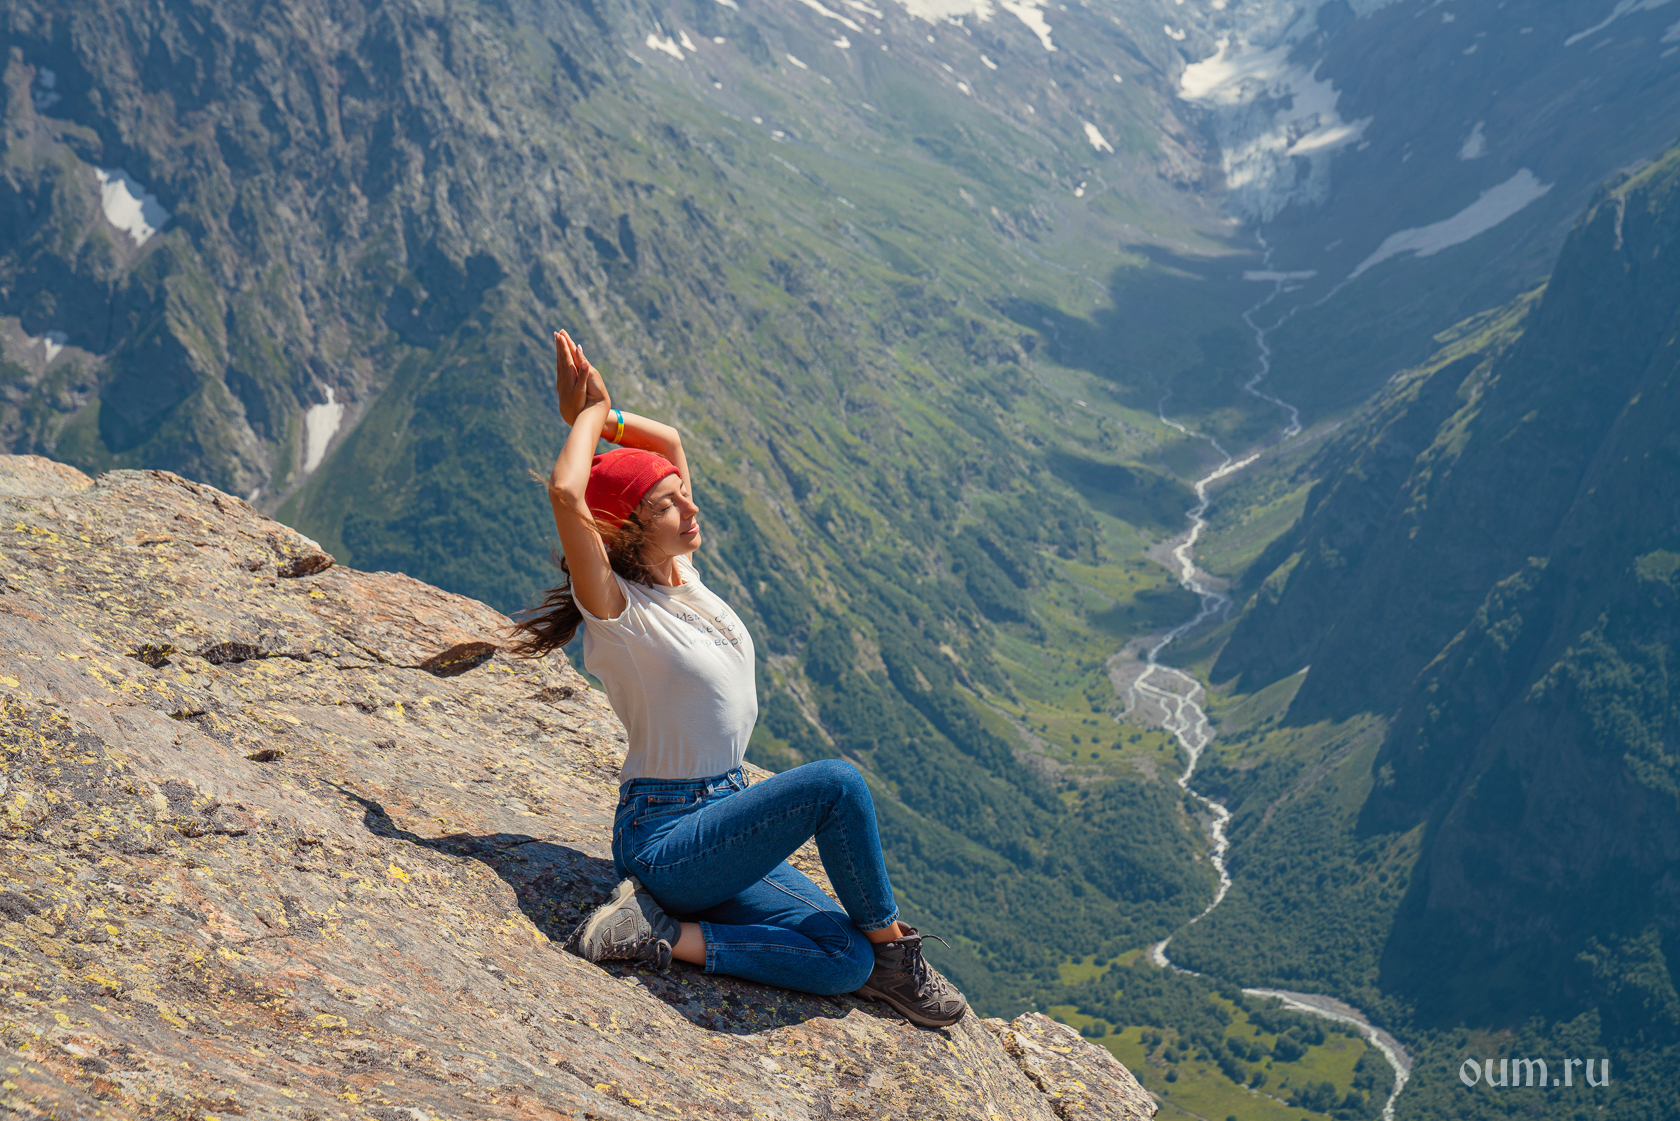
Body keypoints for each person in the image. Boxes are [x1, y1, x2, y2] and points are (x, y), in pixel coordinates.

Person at [506, 330, 968, 1028]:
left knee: (845, 961)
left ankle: (654, 934)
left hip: (721, 822)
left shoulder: (681, 574)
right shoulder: (619, 609)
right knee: (837, 785)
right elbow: (566, 492)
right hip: (666, 837)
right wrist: (584, 421)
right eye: (669, 505)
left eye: (682, 495)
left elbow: (671, 441)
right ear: (627, 529)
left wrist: (612, 413)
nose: (692, 509)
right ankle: (897, 954)